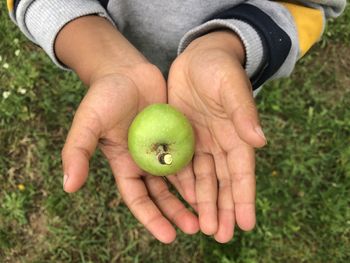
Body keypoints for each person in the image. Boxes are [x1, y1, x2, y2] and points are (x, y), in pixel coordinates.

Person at [7, 0, 346, 244]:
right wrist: (98, 55)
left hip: (218, 87)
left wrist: (232, 44)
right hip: (117, 44)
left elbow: (310, 6)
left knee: (231, 97)